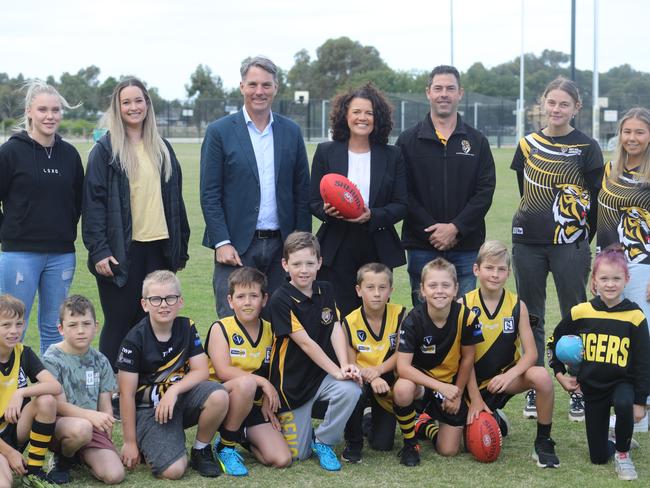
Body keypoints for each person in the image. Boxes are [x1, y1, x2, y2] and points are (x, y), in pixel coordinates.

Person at [511, 77, 604, 421]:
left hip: (571, 244)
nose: (557, 109)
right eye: (552, 103)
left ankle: (577, 387)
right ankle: (536, 384)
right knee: (530, 316)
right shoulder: (527, 144)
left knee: (575, 315)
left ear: (576, 108)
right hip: (527, 243)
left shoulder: (587, 147)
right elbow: (526, 192)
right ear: (543, 103)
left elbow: (596, 200)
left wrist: (581, 238)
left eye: (564, 104)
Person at [83, 78, 190, 368]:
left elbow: (176, 203)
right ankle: (109, 392)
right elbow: (93, 205)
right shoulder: (105, 151)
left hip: (158, 249)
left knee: (151, 321)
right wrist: (99, 250)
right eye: (126, 102)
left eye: (138, 101)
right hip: (120, 251)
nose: (133, 107)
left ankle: (143, 387)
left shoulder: (162, 148)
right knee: (119, 322)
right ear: (118, 108)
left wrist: (180, 246)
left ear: (147, 104)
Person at [200, 56, 311, 319]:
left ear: (276, 87)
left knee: (281, 323)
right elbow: (209, 193)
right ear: (241, 86)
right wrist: (222, 242)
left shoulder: (291, 131)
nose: (259, 91)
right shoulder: (220, 131)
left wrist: (300, 245)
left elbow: (302, 192)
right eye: (252, 84)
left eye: (266, 85)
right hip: (237, 248)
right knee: (233, 322)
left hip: (281, 247)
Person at [547, 247, 650, 481]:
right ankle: (619, 439)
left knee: (624, 402)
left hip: (622, 383)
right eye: (604, 278)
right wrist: (560, 373)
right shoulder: (581, 312)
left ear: (627, 279)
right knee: (597, 456)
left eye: (616, 278)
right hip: (593, 389)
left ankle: (623, 455)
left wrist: (640, 401)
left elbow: (644, 362)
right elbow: (554, 341)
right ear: (594, 281)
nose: (610, 284)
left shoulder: (635, 316)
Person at [396, 65, 496, 306]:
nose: (444, 94)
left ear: (460, 93)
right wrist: (432, 229)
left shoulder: (476, 141)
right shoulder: (408, 140)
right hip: (422, 244)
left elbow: (485, 191)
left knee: (463, 320)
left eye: (450, 88)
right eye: (438, 88)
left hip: (466, 246)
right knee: (424, 319)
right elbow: (402, 192)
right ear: (428, 92)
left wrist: (456, 228)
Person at [115, 270, 229, 479]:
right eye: (156, 299)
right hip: (149, 410)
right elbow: (126, 395)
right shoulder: (134, 340)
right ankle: (147, 440)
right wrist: (129, 442)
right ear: (145, 304)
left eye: (170, 298)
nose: (164, 304)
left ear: (180, 301)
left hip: (178, 399)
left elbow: (202, 371)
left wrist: (174, 391)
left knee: (219, 394)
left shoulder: (187, 326)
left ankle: (201, 450)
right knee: (174, 471)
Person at [457, 241, 558, 468]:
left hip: (504, 381)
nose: (495, 274)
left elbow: (531, 354)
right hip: (471, 385)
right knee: (457, 445)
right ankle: (490, 417)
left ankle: (543, 441)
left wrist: (508, 376)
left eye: (501, 269)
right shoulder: (463, 306)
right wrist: (475, 399)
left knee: (541, 376)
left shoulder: (516, 306)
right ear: (476, 270)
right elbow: (464, 360)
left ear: (509, 272)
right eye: (489, 268)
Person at [0, 80, 83, 355]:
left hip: (61, 255)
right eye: (43, 109)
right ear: (29, 112)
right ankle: (9, 387)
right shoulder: (11, 152)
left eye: (56, 110)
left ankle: (48, 391)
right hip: (20, 255)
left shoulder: (70, 155)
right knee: (13, 326)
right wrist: (8, 232)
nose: (50, 116)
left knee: (53, 327)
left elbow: (78, 202)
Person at [309, 83, 407, 318]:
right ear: (345, 115)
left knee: (374, 312)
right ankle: (340, 357)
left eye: (369, 113)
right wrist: (327, 210)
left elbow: (402, 204)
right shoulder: (325, 152)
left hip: (377, 244)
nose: (362, 118)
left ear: (378, 118)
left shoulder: (392, 155)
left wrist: (373, 214)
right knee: (336, 315)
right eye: (356, 112)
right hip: (336, 246)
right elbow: (312, 200)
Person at [267, 232, 362, 471]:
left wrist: (344, 366)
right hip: (292, 387)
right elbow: (307, 343)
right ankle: (258, 431)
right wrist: (336, 370)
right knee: (297, 455)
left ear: (319, 263)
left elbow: (335, 327)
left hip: (320, 378)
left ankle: (324, 441)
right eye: (297, 264)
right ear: (285, 265)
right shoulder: (280, 299)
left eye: (310, 263)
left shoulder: (325, 289)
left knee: (351, 388)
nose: (304, 270)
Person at [393, 258, 483, 467]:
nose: (439, 291)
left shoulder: (467, 317)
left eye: (446, 285)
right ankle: (410, 443)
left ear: (456, 289)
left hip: (450, 384)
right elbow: (403, 367)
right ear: (422, 290)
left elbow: (469, 357)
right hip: (422, 386)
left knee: (449, 450)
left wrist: (457, 393)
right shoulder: (412, 320)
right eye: (432, 285)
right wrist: (442, 387)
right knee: (402, 389)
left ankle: (424, 425)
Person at [205, 267, 292, 476]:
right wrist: (263, 383)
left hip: (253, 404)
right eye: (241, 296)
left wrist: (266, 399)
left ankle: (241, 435)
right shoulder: (221, 328)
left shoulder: (272, 331)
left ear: (264, 299)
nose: (247, 302)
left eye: (254, 296)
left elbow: (274, 371)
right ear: (230, 300)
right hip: (222, 400)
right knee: (247, 383)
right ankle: (226, 446)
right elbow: (224, 370)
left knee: (282, 459)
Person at [42, 295, 124, 485]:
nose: (80, 331)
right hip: (61, 426)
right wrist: (90, 416)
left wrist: (107, 436)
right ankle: (63, 459)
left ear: (96, 326)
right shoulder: (52, 358)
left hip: (91, 426)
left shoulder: (101, 360)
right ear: (61, 329)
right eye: (73, 325)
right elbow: (58, 406)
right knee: (81, 428)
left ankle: (81, 456)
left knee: (114, 475)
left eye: (86, 324)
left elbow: (105, 406)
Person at [341, 263, 406, 463]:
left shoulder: (402, 314)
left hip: (388, 379)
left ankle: (370, 418)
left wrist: (378, 371)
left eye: (382, 287)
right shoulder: (349, 321)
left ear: (391, 290)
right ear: (359, 290)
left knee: (382, 445)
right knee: (353, 389)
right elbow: (351, 364)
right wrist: (370, 377)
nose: (377, 293)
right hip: (362, 379)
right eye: (370, 288)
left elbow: (402, 354)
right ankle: (354, 442)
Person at [0, 294, 62, 487]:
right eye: (6, 325)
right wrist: (9, 453)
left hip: (13, 429)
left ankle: (34, 471)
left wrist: (20, 393)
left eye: (19, 324)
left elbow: (55, 386)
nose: (14, 331)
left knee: (47, 400)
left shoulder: (23, 352)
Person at [597, 107, 650, 321]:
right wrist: (598, 265)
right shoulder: (609, 170)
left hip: (642, 265)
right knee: (613, 332)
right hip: (609, 265)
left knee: (642, 332)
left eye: (640, 132)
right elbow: (602, 220)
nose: (632, 138)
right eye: (627, 132)